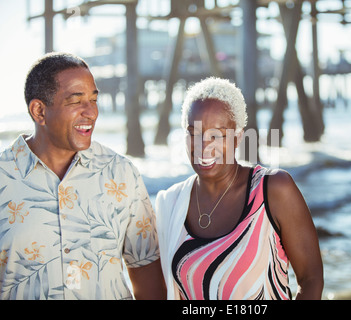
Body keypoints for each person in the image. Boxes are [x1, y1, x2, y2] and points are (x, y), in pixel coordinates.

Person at [0, 52, 165, 300]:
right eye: (76, 101)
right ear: (39, 111)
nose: (91, 112)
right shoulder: (4, 178)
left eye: (94, 100)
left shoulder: (121, 174)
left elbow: (146, 273)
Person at [156, 77, 323, 300]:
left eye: (218, 134)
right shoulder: (172, 202)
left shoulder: (273, 190)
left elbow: (311, 280)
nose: (204, 146)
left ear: (238, 138)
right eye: (193, 133)